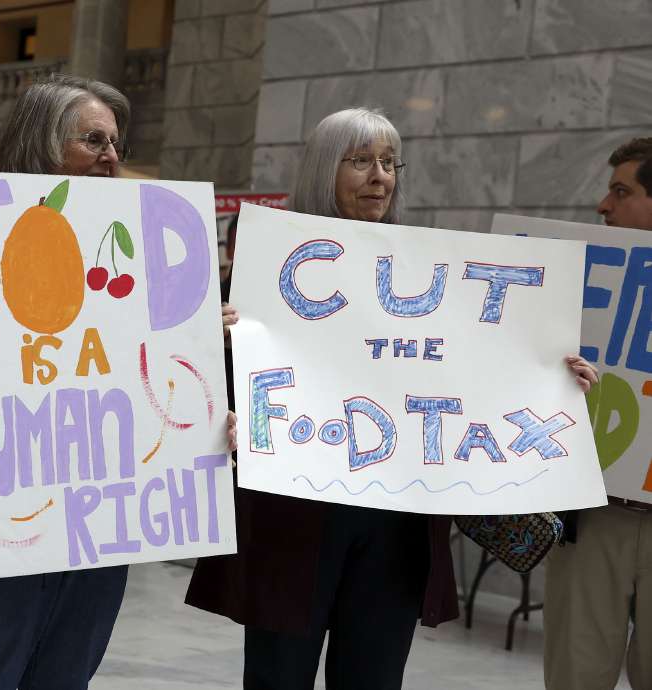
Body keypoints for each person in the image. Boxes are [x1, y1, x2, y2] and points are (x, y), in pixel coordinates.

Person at [184, 107, 599, 690]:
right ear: (325, 169)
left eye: (389, 162)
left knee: (374, 677)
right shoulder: (269, 275)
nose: (380, 176)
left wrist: (548, 379)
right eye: (360, 161)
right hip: (294, 516)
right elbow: (217, 397)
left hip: (397, 521)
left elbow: (474, 370)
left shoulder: (428, 270)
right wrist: (221, 345)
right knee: (279, 675)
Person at [0, 74, 239, 689]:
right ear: (43, 142)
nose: (111, 157)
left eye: (115, 143)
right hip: (1, 514)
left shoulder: (141, 257)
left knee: (65, 677)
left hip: (104, 521)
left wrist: (210, 405)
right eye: (93, 140)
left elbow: (158, 377)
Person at [544, 136, 652, 690]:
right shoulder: (577, 288)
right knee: (575, 673)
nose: (604, 207)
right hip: (593, 510)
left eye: (620, 191)